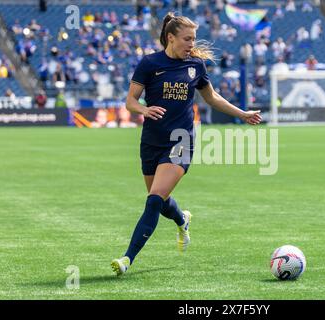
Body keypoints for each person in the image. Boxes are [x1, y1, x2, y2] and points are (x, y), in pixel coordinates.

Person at [111, 12, 262, 276]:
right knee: (161, 200)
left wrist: (242, 113)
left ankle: (127, 259)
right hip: (151, 140)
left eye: (194, 39)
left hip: (181, 141)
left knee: (154, 200)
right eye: (187, 39)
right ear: (170, 38)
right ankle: (183, 220)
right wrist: (143, 110)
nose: (192, 44)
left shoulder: (196, 66)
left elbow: (212, 97)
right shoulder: (149, 63)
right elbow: (130, 101)